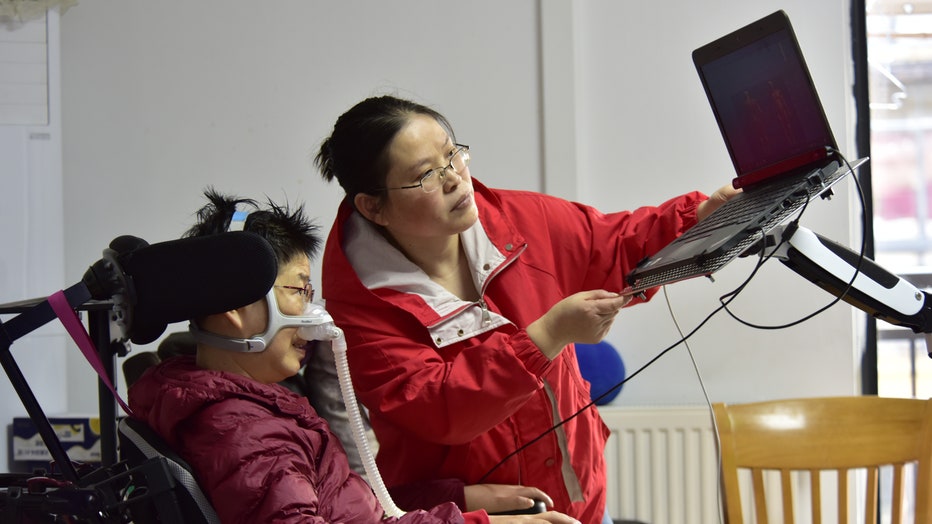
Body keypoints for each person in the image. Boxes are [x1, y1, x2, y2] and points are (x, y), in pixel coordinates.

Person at [315, 95, 739, 524]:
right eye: (426, 175)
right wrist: (549, 335)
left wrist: (703, 220)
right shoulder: (360, 309)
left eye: (451, 154)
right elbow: (442, 407)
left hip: (582, 501)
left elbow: (615, 245)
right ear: (373, 207)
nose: (455, 179)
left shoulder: (516, 218)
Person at [127, 189, 580, 524]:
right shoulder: (248, 435)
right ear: (233, 307)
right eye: (297, 291)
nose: (314, 311)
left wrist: (458, 498)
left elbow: (346, 505)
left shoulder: (248, 412)